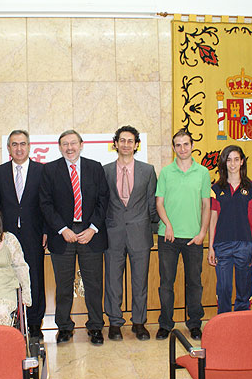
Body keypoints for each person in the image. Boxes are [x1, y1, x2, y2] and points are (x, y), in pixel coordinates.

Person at [39, 130, 109, 345]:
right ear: (59, 147)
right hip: (63, 236)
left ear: (81, 145)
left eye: (73, 143)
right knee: (63, 285)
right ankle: (64, 327)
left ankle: (96, 326)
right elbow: (45, 203)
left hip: (91, 235)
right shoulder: (50, 170)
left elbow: (103, 200)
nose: (69, 147)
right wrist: (62, 229)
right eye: (65, 144)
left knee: (94, 285)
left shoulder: (95, 167)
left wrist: (93, 228)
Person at [103, 126, 158, 341]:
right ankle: (115, 323)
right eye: (122, 140)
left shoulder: (148, 170)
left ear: (136, 145)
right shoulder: (105, 170)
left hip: (140, 233)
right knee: (113, 281)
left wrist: (153, 231)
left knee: (140, 281)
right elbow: (102, 203)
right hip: (113, 233)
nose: (126, 144)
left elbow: (152, 203)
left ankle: (139, 322)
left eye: (130, 141)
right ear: (115, 144)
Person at [155, 128, 211, 341]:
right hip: (167, 237)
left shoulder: (203, 172)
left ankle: (194, 323)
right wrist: (167, 224)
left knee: (194, 282)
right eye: (178, 145)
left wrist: (202, 232)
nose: (182, 148)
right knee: (166, 283)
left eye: (185, 144)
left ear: (192, 146)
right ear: (173, 148)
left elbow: (206, 205)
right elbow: (159, 203)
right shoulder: (166, 172)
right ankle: (165, 324)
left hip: (193, 238)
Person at [0, 130, 46, 338]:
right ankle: (11, 320)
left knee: (34, 277)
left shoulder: (41, 171)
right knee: (8, 277)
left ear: (29, 147)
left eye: (22, 144)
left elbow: (46, 204)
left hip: (34, 234)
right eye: (14, 144)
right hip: (6, 236)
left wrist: (45, 231)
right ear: (8, 148)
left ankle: (34, 323)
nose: (19, 148)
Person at [208, 145, 252, 314]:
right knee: (223, 288)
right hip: (222, 244)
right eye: (229, 160)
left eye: (236, 159)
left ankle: (242, 324)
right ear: (224, 163)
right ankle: (223, 323)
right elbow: (213, 218)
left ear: (242, 161)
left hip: (245, 245)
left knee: (244, 288)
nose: (232, 164)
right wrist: (210, 247)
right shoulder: (216, 189)